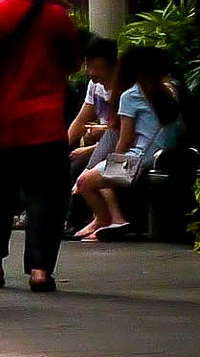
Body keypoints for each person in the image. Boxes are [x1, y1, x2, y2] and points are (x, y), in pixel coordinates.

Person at [0, 0, 80, 288]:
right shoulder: (57, 17)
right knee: (46, 198)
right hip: (46, 125)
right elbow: (73, 63)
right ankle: (40, 270)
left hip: (0, 127)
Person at [73, 45, 183, 242]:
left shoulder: (130, 95)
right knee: (100, 171)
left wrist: (111, 161)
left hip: (141, 158)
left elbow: (124, 141)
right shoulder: (170, 89)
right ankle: (112, 219)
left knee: (84, 182)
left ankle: (105, 219)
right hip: (167, 154)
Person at [68, 37, 122, 182]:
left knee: (79, 172)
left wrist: (89, 150)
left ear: (114, 66)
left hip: (116, 150)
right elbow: (82, 119)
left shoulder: (125, 91)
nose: (91, 73)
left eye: (97, 69)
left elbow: (122, 134)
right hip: (98, 144)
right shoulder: (94, 85)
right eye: (88, 67)